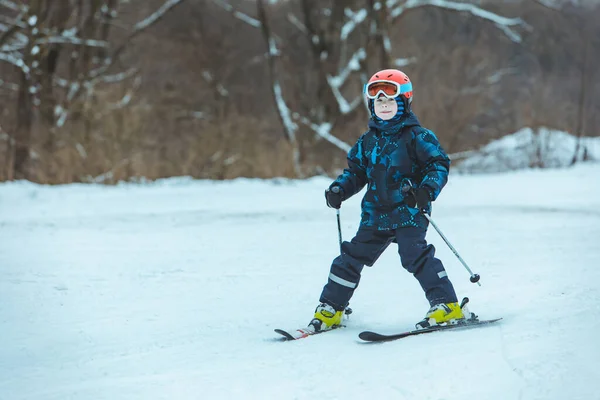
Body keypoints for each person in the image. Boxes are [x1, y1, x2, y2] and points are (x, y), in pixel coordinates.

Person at [308, 69, 471, 332]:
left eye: (390, 101)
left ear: (404, 102)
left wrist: (426, 191)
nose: (384, 106)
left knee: (414, 254)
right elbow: (356, 172)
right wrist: (340, 189)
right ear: (372, 106)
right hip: (375, 213)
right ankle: (331, 308)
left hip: (409, 210)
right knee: (350, 258)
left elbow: (438, 165)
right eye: (379, 102)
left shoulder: (418, 137)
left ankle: (446, 305)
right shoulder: (368, 141)